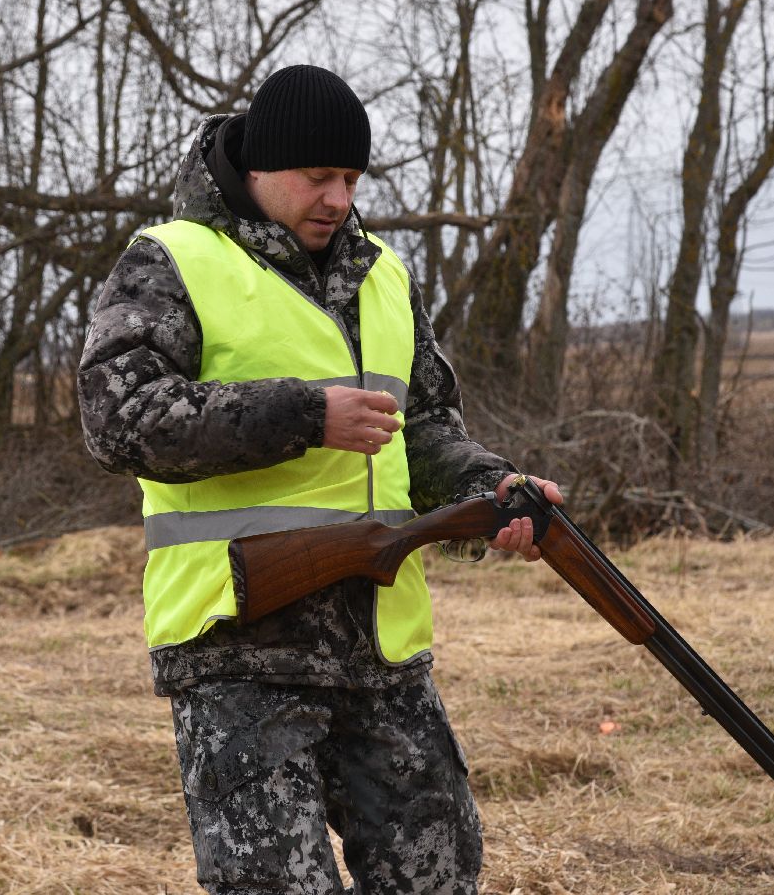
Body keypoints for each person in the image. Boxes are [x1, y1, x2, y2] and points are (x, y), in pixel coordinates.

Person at [77, 64, 562, 894]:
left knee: (441, 874)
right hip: (240, 646)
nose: (338, 197)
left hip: (382, 648)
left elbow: (426, 430)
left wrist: (492, 489)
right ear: (260, 166)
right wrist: (304, 415)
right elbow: (117, 420)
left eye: (351, 177)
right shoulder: (173, 261)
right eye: (318, 177)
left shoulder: (383, 277)